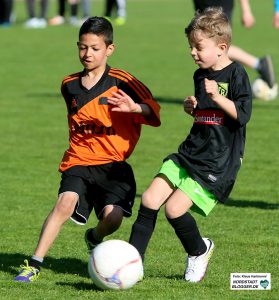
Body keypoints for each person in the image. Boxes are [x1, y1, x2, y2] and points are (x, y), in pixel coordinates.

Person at [14, 16, 160, 283]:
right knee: (64, 203)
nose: (87, 53)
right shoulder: (68, 85)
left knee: (113, 218)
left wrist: (135, 108)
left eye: (94, 48)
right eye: (82, 47)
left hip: (114, 165)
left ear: (109, 49)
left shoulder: (124, 81)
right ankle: (34, 263)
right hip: (79, 159)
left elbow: (154, 110)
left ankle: (94, 237)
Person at [129, 7, 252, 283]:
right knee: (149, 199)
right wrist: (193, 108)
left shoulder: (236, 75)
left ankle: (199, 251)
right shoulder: (201, 76)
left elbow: (243, 115)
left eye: (198, 47)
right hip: (191, 151)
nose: (192, 53)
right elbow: (207, 117)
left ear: (221, 47)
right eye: (191, 47)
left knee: (174, 210)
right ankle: (132, 264)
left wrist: (218, 98)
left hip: (217, 162)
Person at [192, 0, 276, 88]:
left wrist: (246, 10)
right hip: (203, 6)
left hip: (219, 6)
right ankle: (259, 65)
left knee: (217, 48)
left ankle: (259, 65)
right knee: (213, 48)